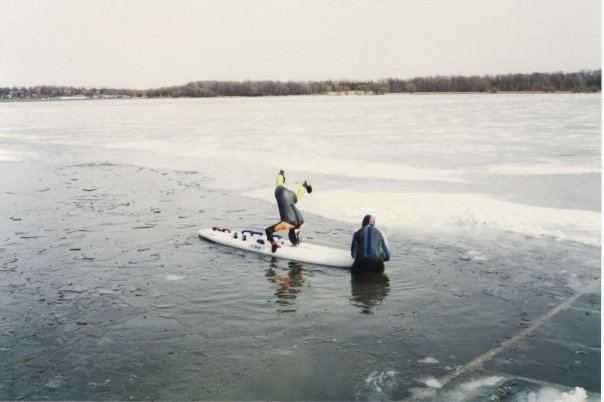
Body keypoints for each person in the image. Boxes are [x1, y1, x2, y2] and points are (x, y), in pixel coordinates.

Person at [265, 170, 312, 253]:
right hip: (282, 193)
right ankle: (281, 174)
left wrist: (274, 245)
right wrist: (274, 244)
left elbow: (296, 230)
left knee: (295, 199)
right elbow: (268, 231)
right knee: (279, 185)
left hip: (291, 196)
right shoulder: (286, 225)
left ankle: (305, 186)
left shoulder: (301, 223)